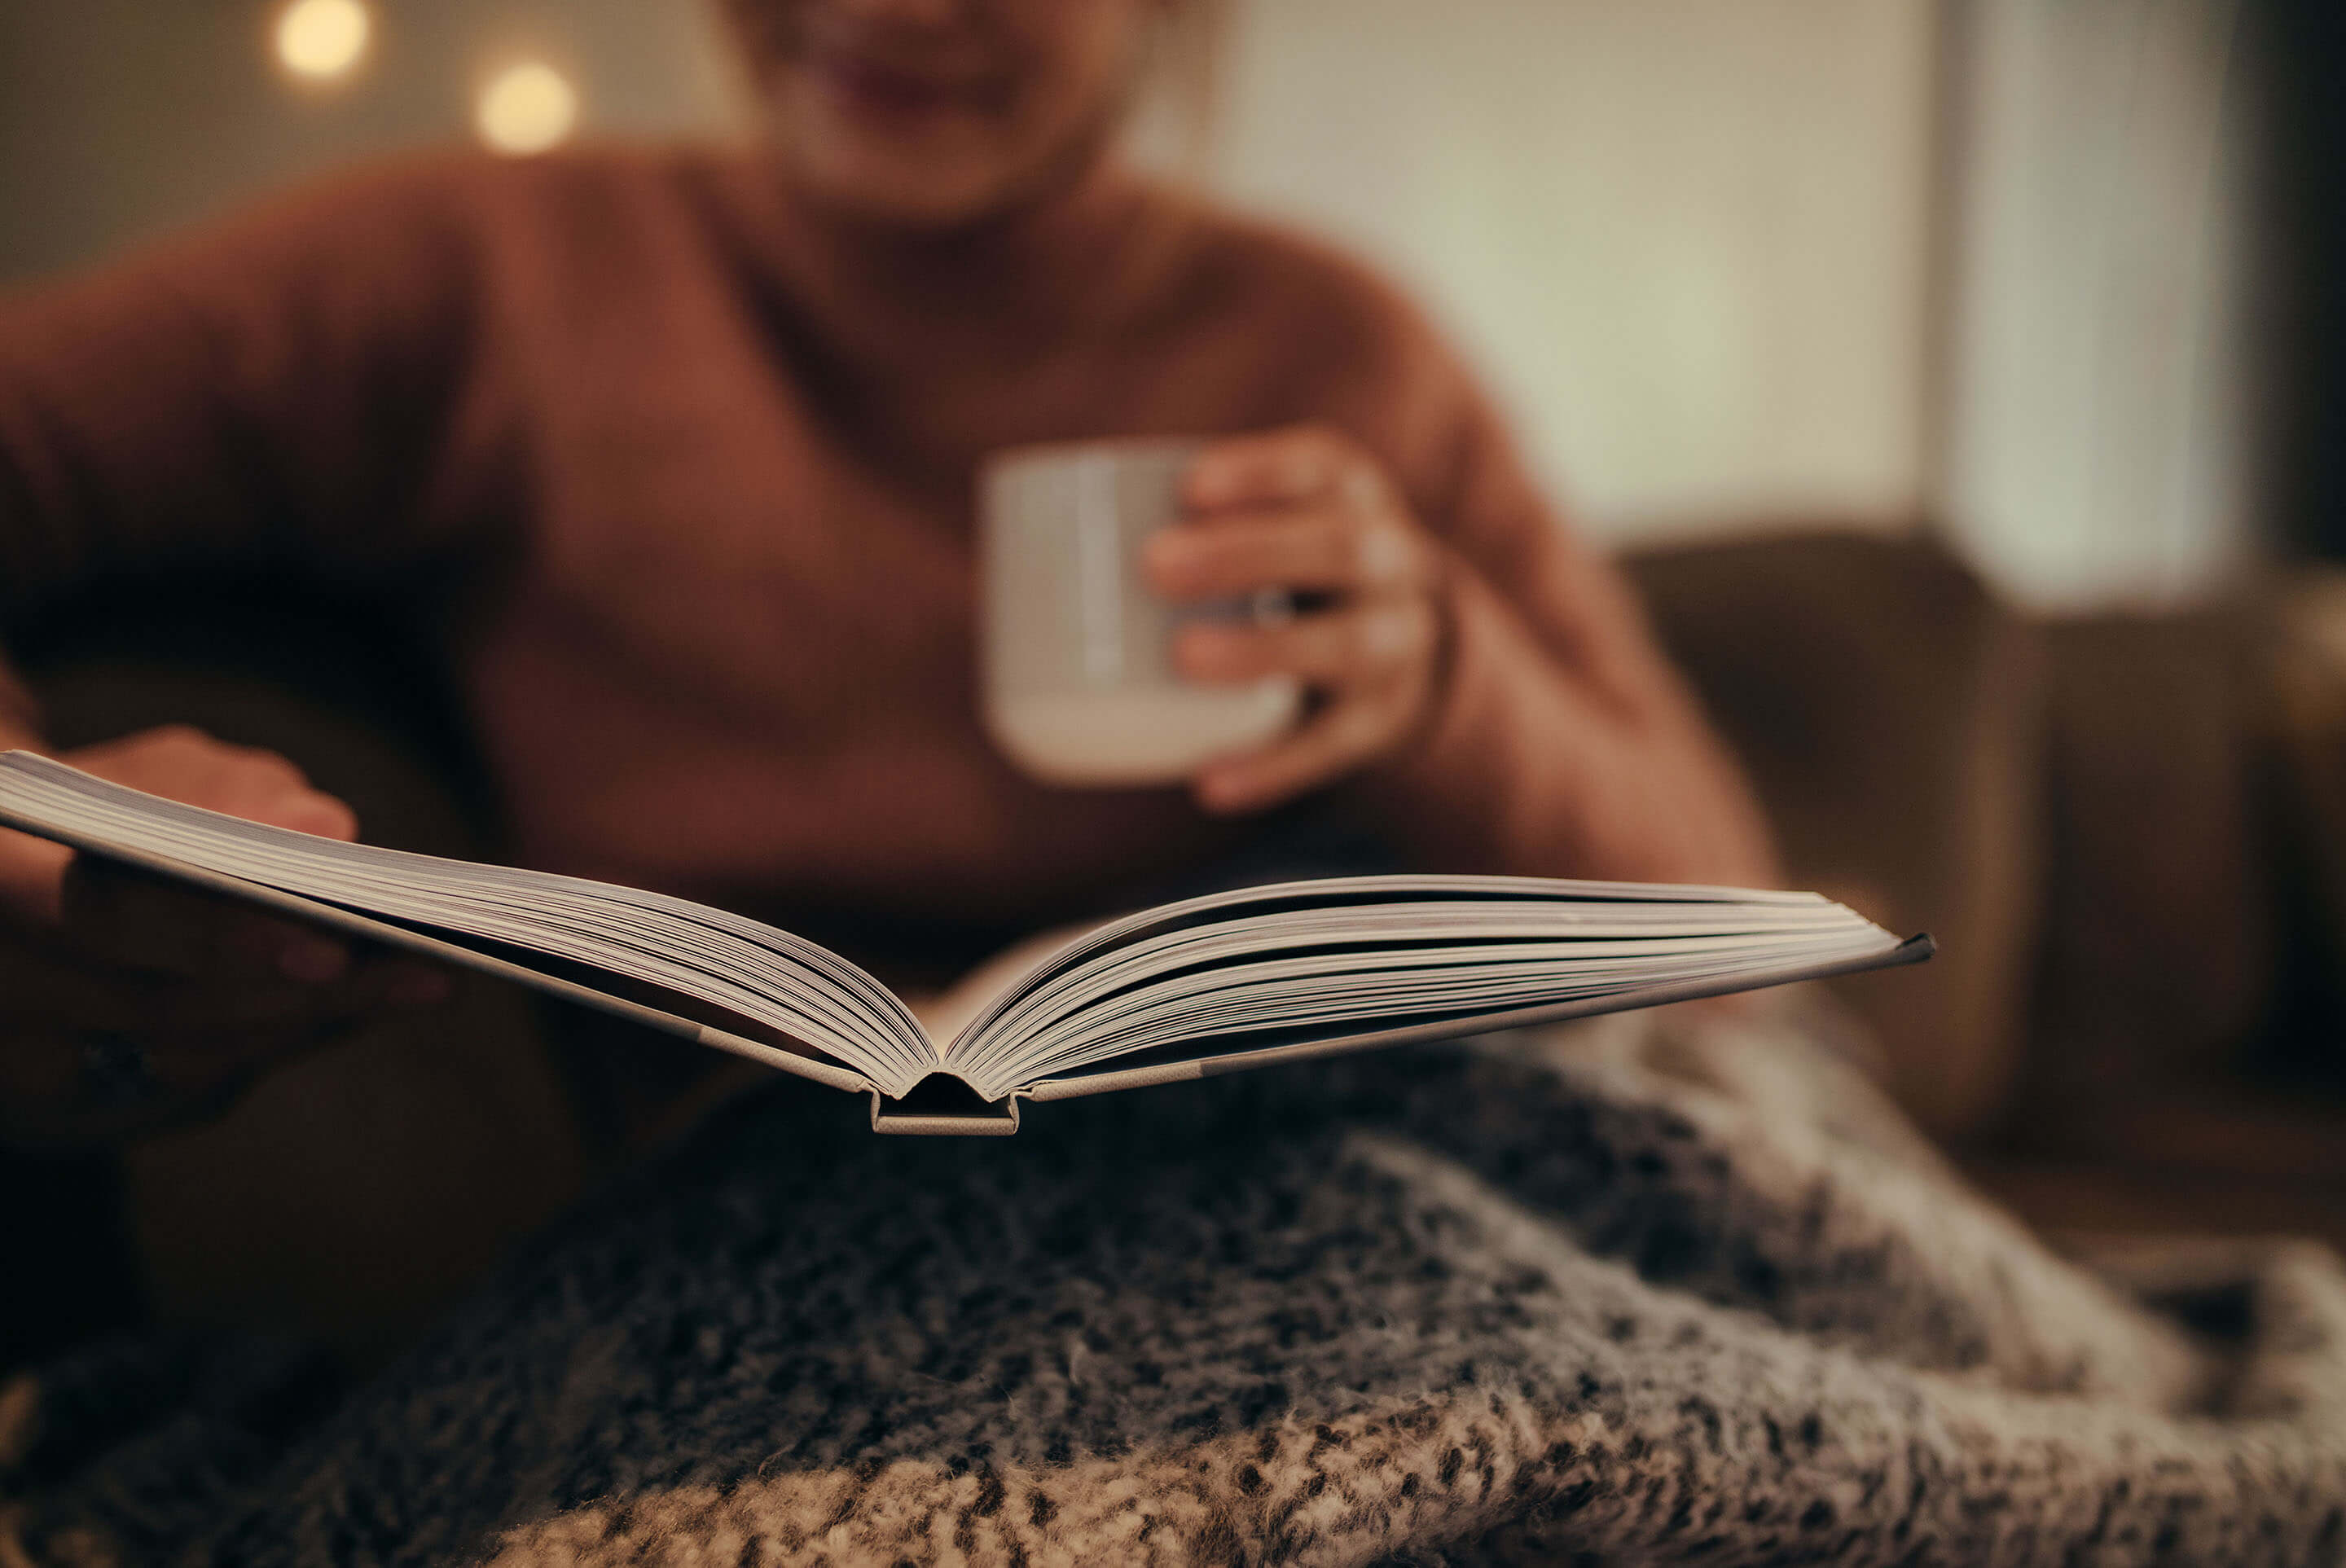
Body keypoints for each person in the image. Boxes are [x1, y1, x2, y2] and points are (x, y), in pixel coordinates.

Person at [0, 0, 1774, 1317]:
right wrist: (35, 821)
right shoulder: (491, 266)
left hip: (1292, 1188)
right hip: (735, 1238)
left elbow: (1733, 943)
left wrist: (1442, 678)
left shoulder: (1337, 345)